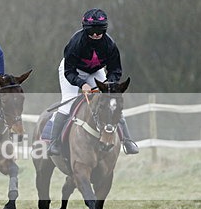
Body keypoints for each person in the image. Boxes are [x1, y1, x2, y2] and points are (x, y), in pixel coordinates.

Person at [47, 8, 139, 156]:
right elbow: (69, 71)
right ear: (85, 29)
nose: (95, 34)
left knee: (112, 102)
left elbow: (115, 70)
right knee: (68, 102)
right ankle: (54, 142)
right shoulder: (76, 42)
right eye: (92, 31)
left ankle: (127, 141)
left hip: (95, 71)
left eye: (99, 31)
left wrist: (110, 84)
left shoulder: (110, 45)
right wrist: (82, 84)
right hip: (72, 71)